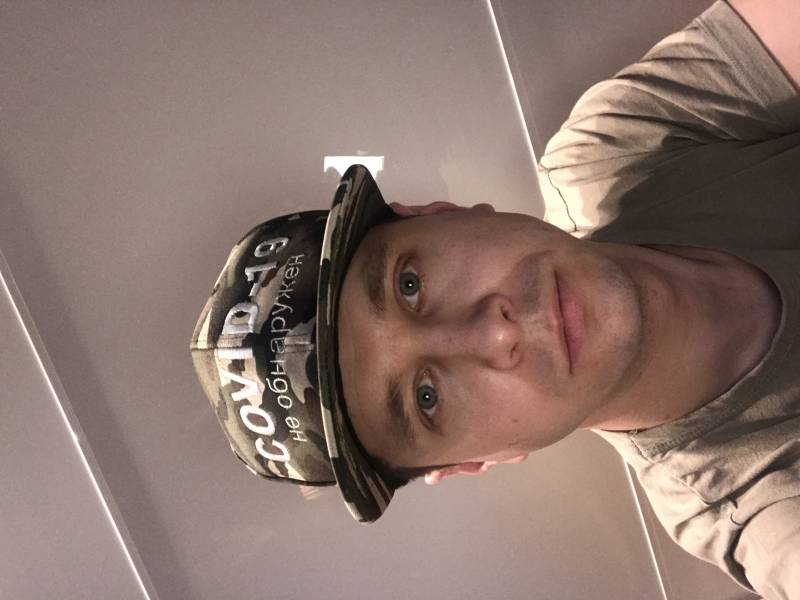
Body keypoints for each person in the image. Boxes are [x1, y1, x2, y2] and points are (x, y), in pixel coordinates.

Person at [189, 1, 799, 597]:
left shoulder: (619, 149)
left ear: (440, 213)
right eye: (427, 399)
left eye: (409, 284)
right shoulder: (762, 514)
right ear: (477, 461)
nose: (495, 333)